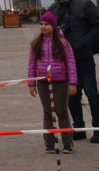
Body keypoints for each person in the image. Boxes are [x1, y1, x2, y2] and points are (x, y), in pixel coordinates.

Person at [51, 0, 99, 143]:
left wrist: (84, 43)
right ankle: (79, 127)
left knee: (91, 93)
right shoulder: (54, 8)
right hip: (65, 60)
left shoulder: (85, 4)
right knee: (72, 95)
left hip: (84, 57)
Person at [27, 12, 77, 155]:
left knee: (62, 111)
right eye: (41, 24)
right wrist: (32, 83)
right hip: (43, 81)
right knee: (48, 113)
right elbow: (31, 64)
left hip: (60, 81)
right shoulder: (36, 43)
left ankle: (67, 143)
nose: (43, 27)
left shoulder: (63, 42)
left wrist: (72, 83)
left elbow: (71, 63)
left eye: (46, 24)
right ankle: (49, 142)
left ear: (53, 26)